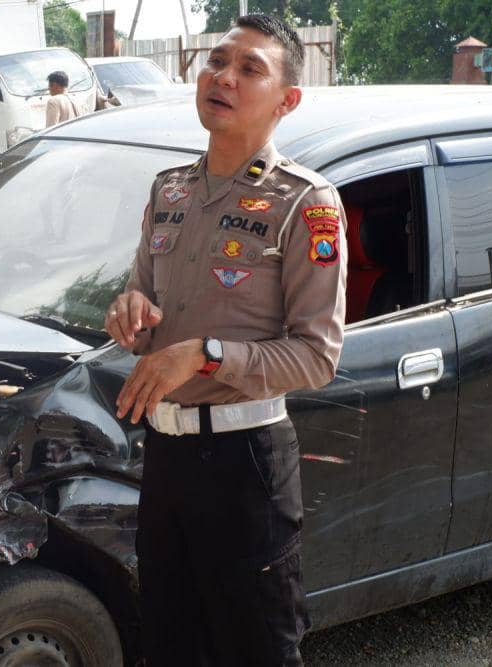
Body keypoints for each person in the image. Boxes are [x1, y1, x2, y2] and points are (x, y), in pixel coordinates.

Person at [105, 14, 347, 666]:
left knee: (256, 649)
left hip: (247, 466)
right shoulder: (169, 191)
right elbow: (142, 307)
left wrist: (206, 355)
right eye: (217, 61)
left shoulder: (306, 203)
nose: (224, 77)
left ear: (287, 100)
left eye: (248, 69)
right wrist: (128, 314)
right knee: (169, 645)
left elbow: (317, 355)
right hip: (165, 458)